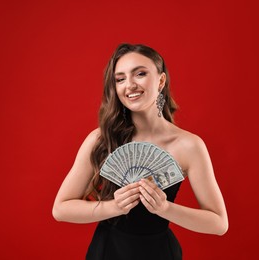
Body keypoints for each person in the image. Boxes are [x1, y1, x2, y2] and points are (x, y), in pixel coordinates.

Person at [52, 43, 228, 260]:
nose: (130, 85)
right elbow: (60, 209)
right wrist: (114, 207)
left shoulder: (189, 145)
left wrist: (164, 208)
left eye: (140, 74)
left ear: (161, 81)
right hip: (107, 251)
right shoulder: (100, 139)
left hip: (160, 252)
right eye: (120, 79)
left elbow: (219, 223)